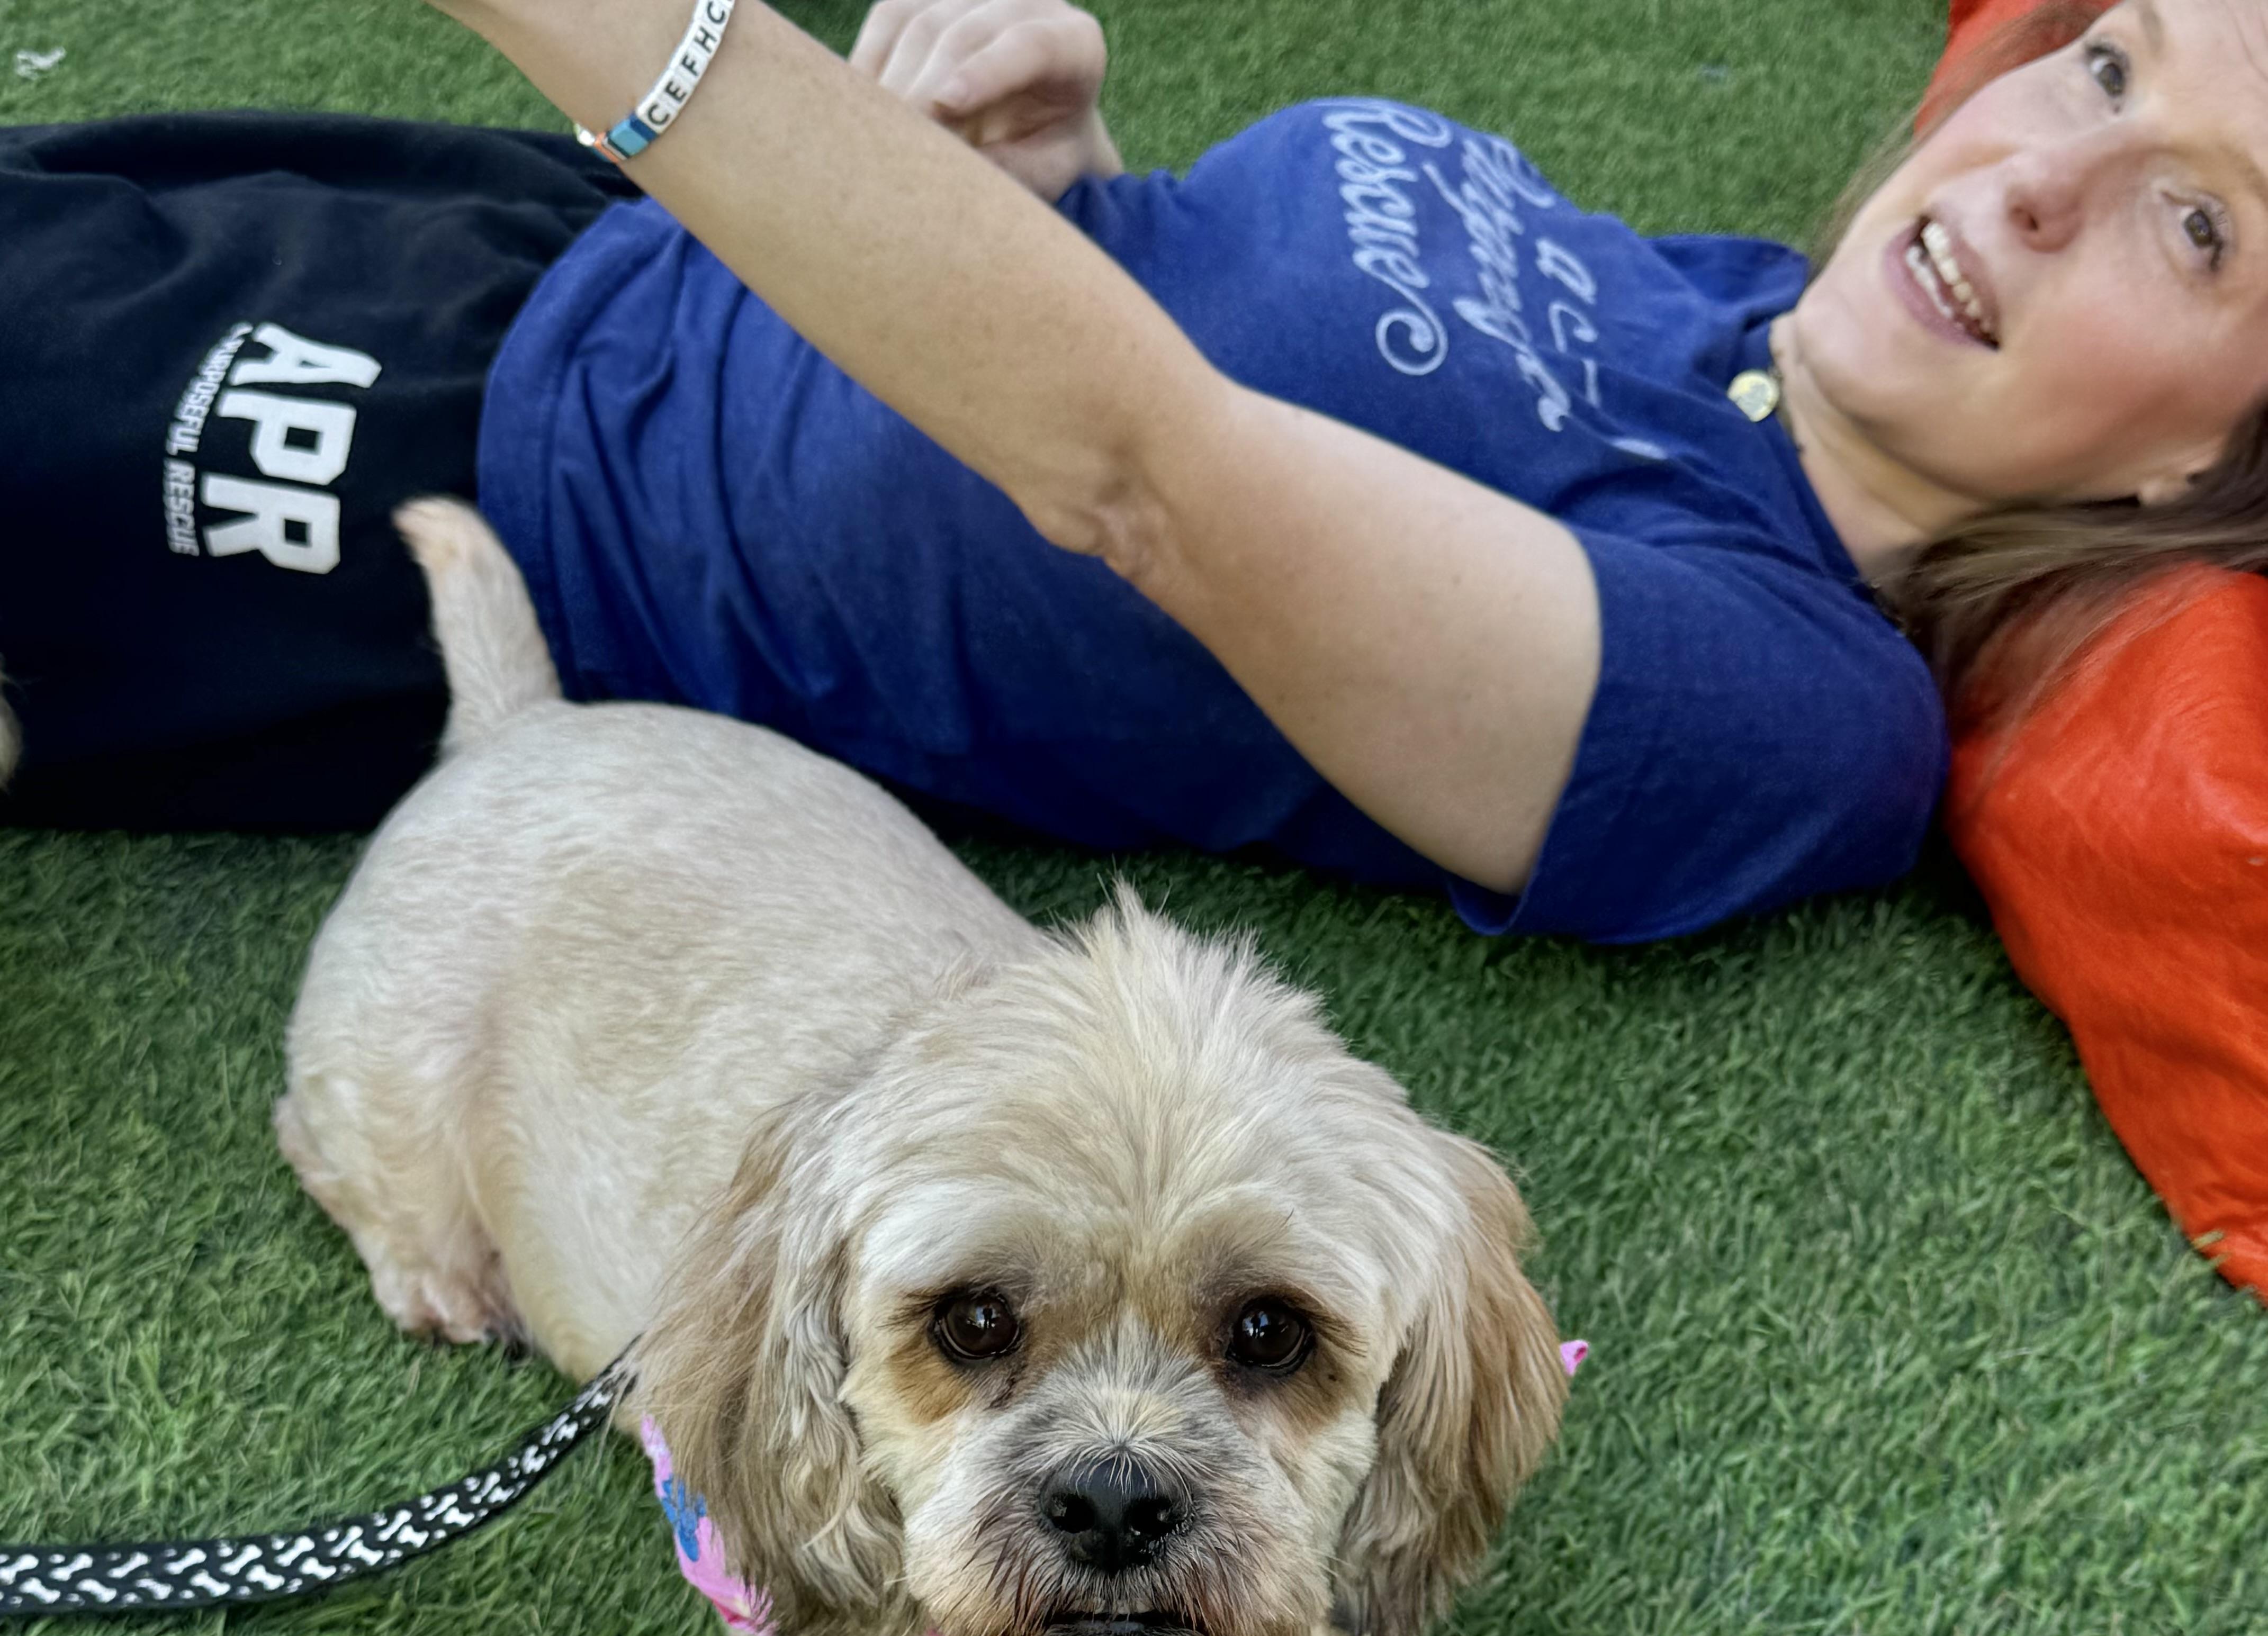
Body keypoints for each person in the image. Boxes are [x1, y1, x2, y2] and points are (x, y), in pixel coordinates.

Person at [2, 0, 2260, 942]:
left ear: (2205, 466)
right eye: (2098, 64)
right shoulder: (1717, 299)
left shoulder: (1795, 712)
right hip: (579, 246)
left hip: (505, 498)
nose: (2050, 169)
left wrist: (638, 29)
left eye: (2201, 221)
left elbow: (1147, 482)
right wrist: (1064, 158)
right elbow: (1218, 335)